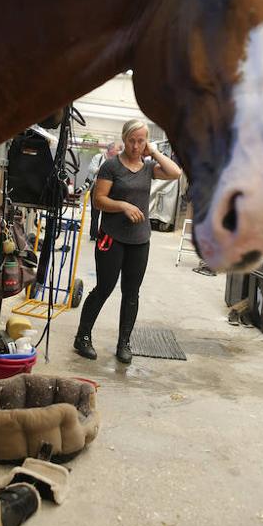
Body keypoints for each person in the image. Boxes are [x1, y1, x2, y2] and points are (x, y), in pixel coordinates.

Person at [73, 119, 181, 364]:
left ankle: (124, 343)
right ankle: (83, 337)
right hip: (112, 238)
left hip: (140, 240)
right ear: (124, 139)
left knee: (131, 293)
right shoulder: (111, 166)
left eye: (141, 141)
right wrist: (122, 205)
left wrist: (153, 151)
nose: (135, 145)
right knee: (104, 288)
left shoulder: (148, 167)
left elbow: (175, 173)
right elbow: (99, 200)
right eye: (131, 140)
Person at [80, 141, 120, 240]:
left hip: (111, 188)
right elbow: (91, 168)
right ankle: (93, 234)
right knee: (95, 212)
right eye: (117, 149)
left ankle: (103, 235)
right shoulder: (99, 157)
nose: (119, 151)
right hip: (97, 186)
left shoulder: (117, 160)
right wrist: (104, 169)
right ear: (110, 150)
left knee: (107, 213)